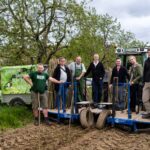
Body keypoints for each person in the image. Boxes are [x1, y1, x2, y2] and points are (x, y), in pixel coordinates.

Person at [142, 49, 150, 118]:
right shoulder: (146, 61)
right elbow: (144, 72)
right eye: (149, 52)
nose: (149, 53)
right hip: (147, 83)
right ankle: (149, 112)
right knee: (144, 99)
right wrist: (143, 82)